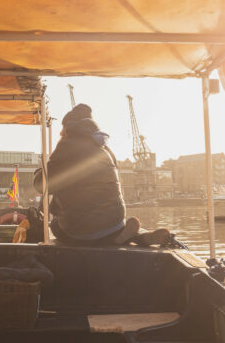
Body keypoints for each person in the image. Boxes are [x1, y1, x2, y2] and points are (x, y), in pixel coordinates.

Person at [33, 104, 170, 246]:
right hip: (115, 223)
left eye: (63, 128)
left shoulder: (67, 146)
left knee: (55, 225)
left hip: (82, 232)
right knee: (103, 225)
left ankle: (120, 237)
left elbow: (40, 185)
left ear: (70, 127)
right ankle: (134, 237)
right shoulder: (105, 149)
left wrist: (43, 168)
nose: (60, 133)